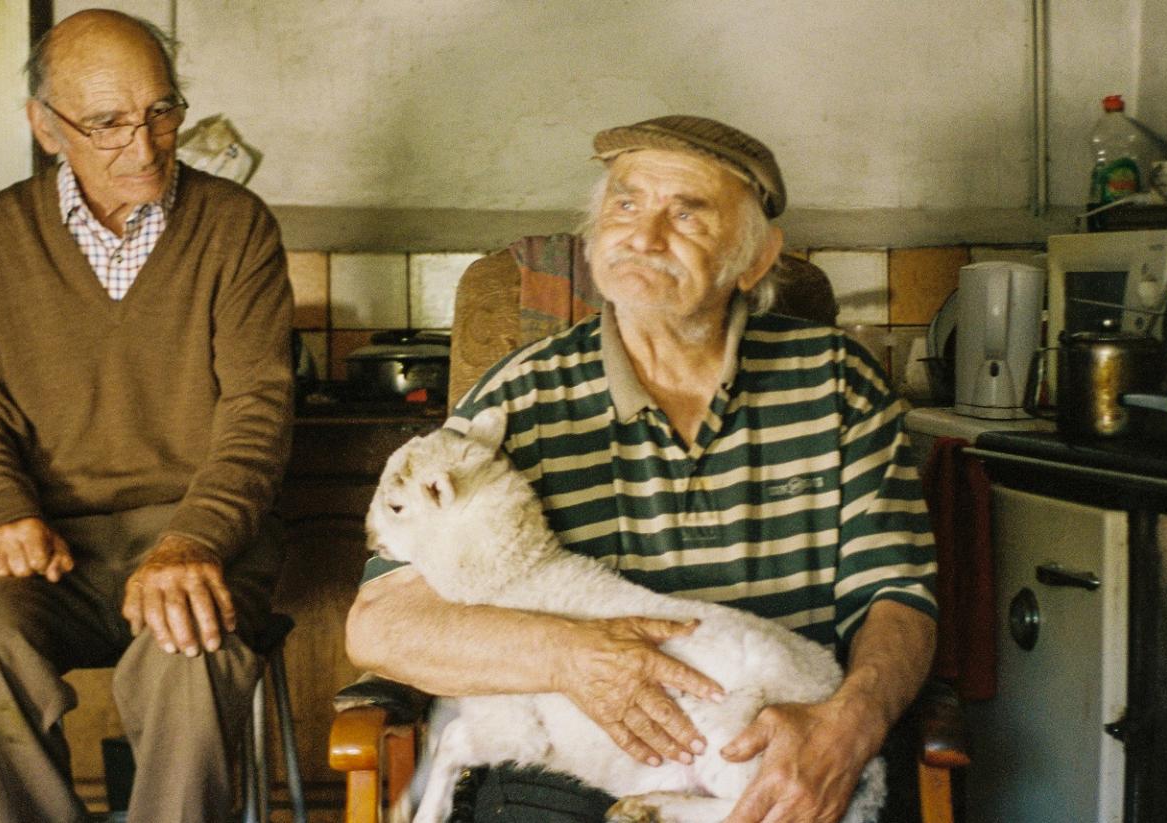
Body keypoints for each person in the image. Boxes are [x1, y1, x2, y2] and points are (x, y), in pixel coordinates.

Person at [345, 115, 937, 823]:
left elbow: (897, 597)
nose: (644, 236)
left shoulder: (839, 384)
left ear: (752, 258)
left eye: (686, 214)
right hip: (570, 771)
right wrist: (571, 656)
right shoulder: (519, 398)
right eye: (626, 204)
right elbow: (383, 624)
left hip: (782, 752)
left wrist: (849, 727)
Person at [0, 10, 294, 823]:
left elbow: (257, 412)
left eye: (163, 111)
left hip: (199, 542)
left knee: (188, 653)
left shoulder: (236, 227)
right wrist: (0, 509)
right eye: (109, 123)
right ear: (46, 129)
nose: (147, 143)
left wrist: (193, 539)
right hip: (54, 551)